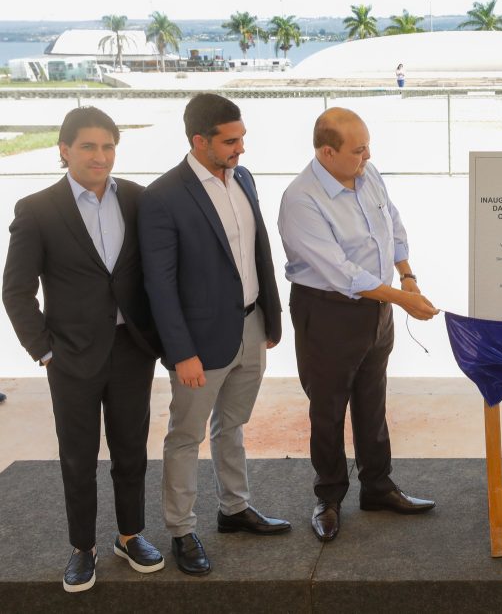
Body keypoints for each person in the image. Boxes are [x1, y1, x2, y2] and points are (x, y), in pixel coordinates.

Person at [3, 107, 164, 592]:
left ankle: (130, 535)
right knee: (77, 456)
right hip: (70, 355)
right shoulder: (37, 209)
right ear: (64, 150)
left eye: (109, 146)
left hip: (131, 350)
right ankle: (82, 548)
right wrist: (45, 351)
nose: (101, 156)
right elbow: (16, 290)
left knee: (132, 450)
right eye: (90, 146)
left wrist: (155, 340)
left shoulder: (138, 199)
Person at [138, 93, 289, 577]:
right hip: (199, 345)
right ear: (198, 141)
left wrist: (269, 318)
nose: (240, 149)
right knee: (185, 437)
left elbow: (258, 251)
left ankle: (234, 509)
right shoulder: (162, 197)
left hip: (250, 327)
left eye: (242, 138)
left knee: (234, 425)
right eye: (230, 141)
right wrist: (180, 353)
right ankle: (181, 530)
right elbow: (158, 284)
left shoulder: (242, 177)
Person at [279, 107, 439, 543]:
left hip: (379, 307)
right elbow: (342, 273)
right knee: (328, 410)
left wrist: (407, 275)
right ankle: (328, 498)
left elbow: (394, 225)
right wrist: (403, 299)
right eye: (358, 150)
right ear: (326, 151)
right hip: (327, 310)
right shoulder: (301, 199)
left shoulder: (368, 174)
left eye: (368, 146)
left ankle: (378, 486)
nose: (367, 156)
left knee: (373, 401)